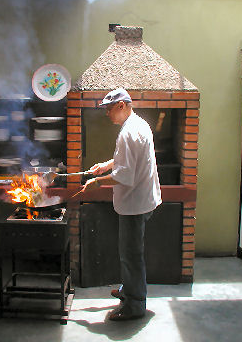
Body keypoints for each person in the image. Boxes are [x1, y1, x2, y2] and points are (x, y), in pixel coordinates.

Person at [81, 87, 162, 321]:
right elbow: (128, 159)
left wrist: (97, 182)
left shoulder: (129, 133)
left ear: (121, 105)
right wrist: (106, 165)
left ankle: (135, 306)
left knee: (131, 255)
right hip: (144, 199)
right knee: (130, 253)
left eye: (108, 109)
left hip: (135, 204)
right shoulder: (138, 124)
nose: (107, 114)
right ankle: (130, 291)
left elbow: (126, 175)